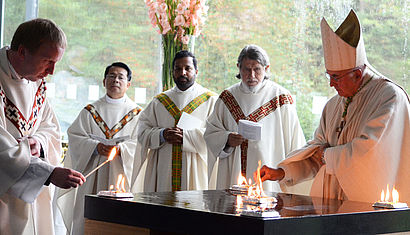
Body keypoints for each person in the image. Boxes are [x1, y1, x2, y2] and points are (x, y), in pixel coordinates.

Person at [257, 10, 410, 203]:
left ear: (357, 74)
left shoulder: (389, 97)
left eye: (336, 77)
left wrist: (327, 156)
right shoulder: (333, 105)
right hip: (330, 205)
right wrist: (282, 172)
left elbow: (370, 152)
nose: (331, 84)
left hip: (368, 207)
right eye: (328, 75)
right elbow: (317, 155)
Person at [0, 18, 85, 235]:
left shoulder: (36, 82)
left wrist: (38, 141)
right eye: (47, 60)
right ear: (21, 52)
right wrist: (48, 174)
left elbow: (51, 127)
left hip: (34, 196)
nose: (52, 71)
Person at [204, 45, 306, 193]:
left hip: (268, 171)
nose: (251, 75)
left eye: (257, 69)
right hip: (234, 172)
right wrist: (226, 140)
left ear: (266, 68)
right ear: (238, 67)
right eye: (246, 69)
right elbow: (210, 133)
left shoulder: (280, 98)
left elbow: (294, 141)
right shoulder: (227, 97)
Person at [56, 62, 142, 234]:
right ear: (104, 81)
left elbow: (140, 142)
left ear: (128, 84)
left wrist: (122, 149)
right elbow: (75, 136)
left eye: (120, 77)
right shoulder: (90, 111)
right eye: (111, 76)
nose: (115, 80)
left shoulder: (137, 114)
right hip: (93, 174)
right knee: (88, 219)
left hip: (121, 173)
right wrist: (96, 147)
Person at [131, 50, 217, 192]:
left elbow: (216, 134)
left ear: (196, 71)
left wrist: (187, 137)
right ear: (172, 72)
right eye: (178, 69)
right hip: (164, 167)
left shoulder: (210, 100)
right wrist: (162, 135)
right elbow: (141, 132)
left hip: (195, 167)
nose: (182, 73)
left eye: (187, 68)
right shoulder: (159, 101)